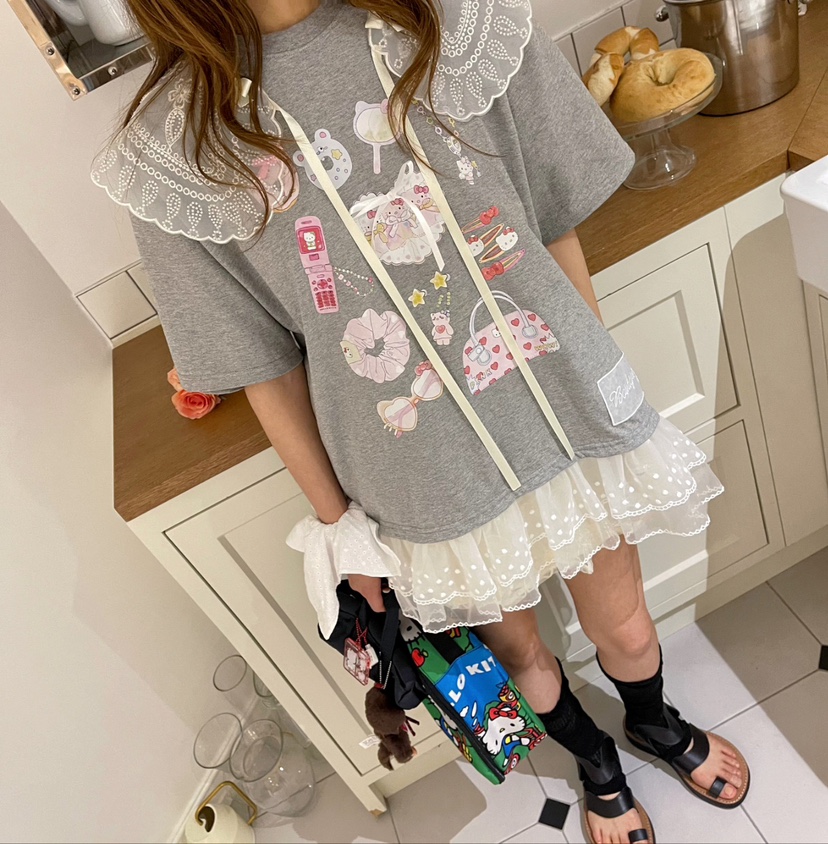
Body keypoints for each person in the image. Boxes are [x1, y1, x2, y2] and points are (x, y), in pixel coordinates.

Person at [92, 0, 750, 839]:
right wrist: (342, 533)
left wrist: (600, 386)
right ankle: (596, 763)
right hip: (417, 469)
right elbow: (264, 368)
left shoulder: (452, 19)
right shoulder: (172, 145)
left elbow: (552, 219)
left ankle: (653, 721)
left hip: (562, 408)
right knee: (517, 654)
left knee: (623, 623)